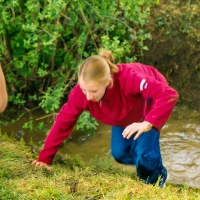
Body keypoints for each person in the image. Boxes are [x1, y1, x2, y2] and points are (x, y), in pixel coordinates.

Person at [32, 50, 179, 187]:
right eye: (84, 89)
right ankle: (148, 162)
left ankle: (156, 180)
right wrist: (44, 159)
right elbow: (63, 123)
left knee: (143, 154)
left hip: (148, 104)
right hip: (123, 114)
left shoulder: (130, 77)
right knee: (119, 153)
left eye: (93, 91)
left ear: (108, 83)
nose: (88, 96)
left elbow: (168, 94)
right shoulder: (81, 94)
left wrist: (148, 123)